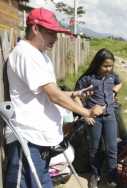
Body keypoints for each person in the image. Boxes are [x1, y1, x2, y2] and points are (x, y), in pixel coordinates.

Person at [5, 8, 104, 188]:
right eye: (51, 33)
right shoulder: (25, 54)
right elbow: (53, 95)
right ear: (35, 29)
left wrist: (74, 94)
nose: (56, 38)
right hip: (28, 138)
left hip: (41, 138)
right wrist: (86, 111)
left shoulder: (40, 56)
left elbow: (48, 92)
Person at [74, 48, 121, 188]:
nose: (108, 69)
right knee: (94, 148)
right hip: (94, 118)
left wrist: (114, 92)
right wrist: (84, 114)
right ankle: (95, 175)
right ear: (97, 64)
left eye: (110, 66)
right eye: (105, 66)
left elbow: (119, 83)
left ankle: (112, 178)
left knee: (112, 147)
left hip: (110, 115)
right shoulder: (87, 79)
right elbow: (75, 96)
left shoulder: (112, 77)